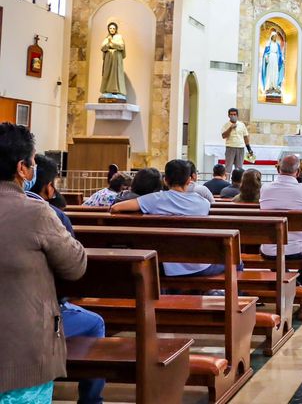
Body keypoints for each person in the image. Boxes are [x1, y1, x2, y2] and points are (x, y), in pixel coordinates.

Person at [0, 123, 87, 403]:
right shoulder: (36, 212)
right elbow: (75, 266)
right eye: (33, 162)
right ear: (22, 169)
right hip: (20, 354)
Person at [26, 154, 105, 404]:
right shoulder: (51, 215)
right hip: (35, 313)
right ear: (49, 187)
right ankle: (91, 400)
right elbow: (72, 270)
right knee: (95, 323)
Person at [110, 159, 220, 277]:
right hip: (198, 264)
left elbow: (116, 208)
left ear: (165, 180)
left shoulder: (154, 199)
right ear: (189, 180)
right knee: (230, 262)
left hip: (166, 265)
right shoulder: (203, 203)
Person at [259, 154, 302, 263]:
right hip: (297, 249)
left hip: (269, 250)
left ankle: (286, 273)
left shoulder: (265, 188)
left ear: (278, 169)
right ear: (298, 172)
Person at [221, 108, 252, 175]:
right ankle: (227, 181)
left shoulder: (242, 125)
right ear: (228, 115)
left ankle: (238, 181)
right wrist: (230, 128)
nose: (233, 116)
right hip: (230, 147)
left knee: (239, 168)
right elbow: (223, 136)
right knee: (228, 167)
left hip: (240, 147)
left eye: (234, 114)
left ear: (237, 115)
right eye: (231, 114)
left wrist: (249, 148)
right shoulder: (226, 125)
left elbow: (245, 137)